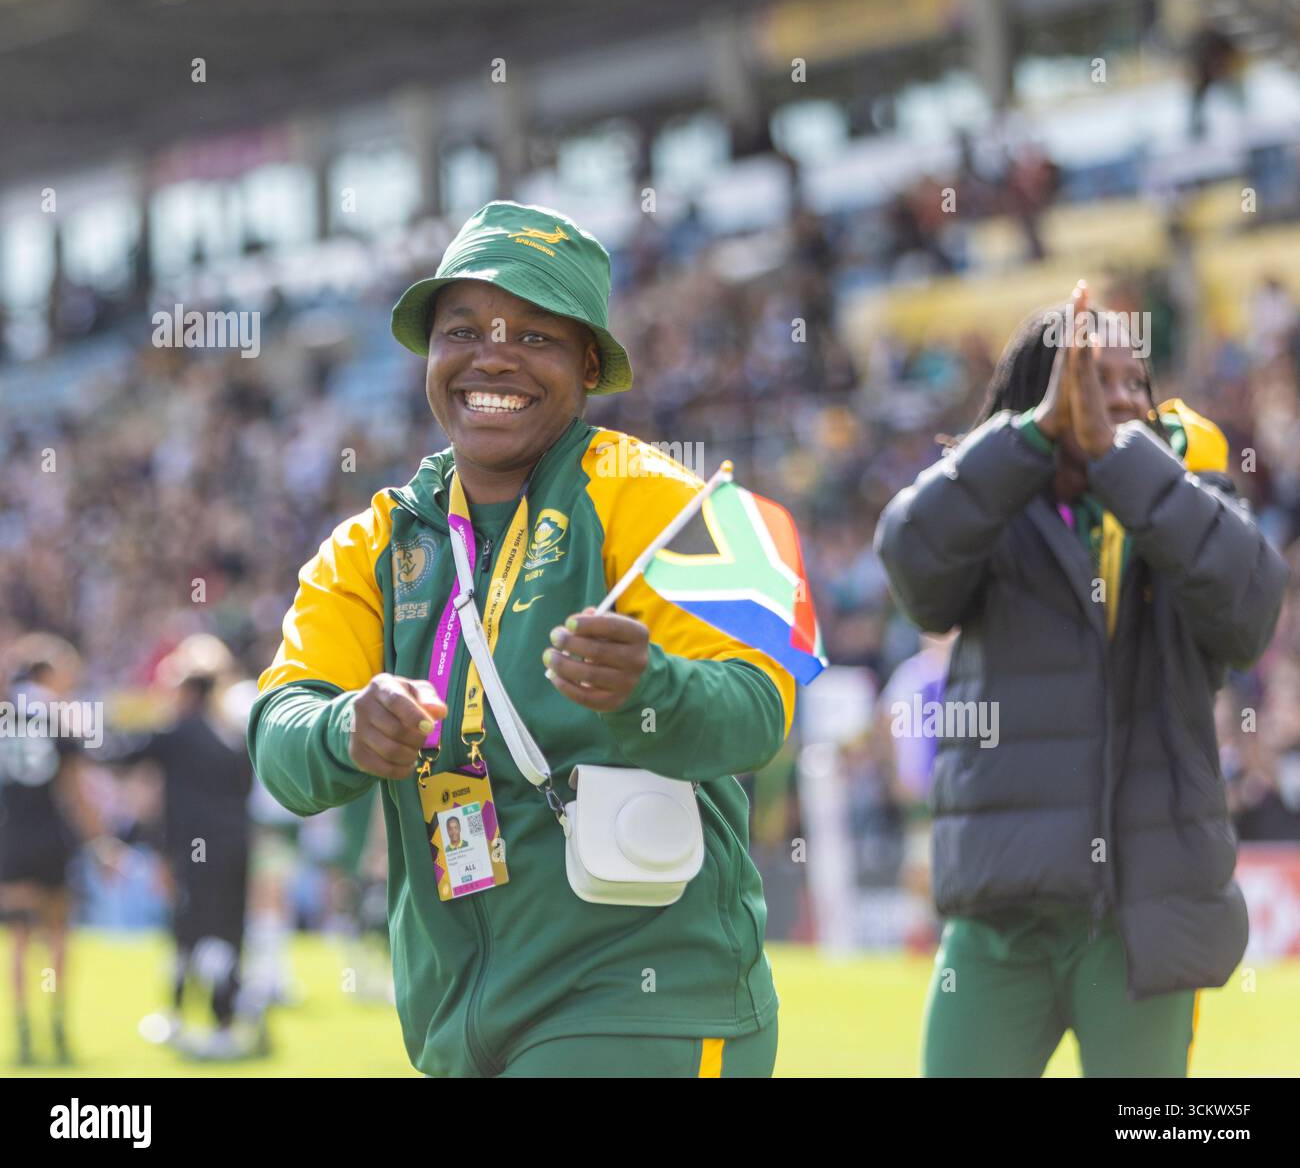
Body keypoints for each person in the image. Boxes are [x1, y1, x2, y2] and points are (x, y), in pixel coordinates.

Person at [248, 200, 796, 1078]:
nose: (492, 355)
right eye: (461, 329)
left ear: (588, 365)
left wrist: (653, 690)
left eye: (535, 336)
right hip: (454, 1022)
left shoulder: (662, 504)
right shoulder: (375, 546)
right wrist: (343, 729)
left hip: (642, 1003)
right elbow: (280, 730)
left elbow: (758, 714)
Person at [875, 283, 1288, 1077]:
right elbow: (910, 557)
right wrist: (1026, 443)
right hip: (1001, 919)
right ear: (1044, 397)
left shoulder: (1191, 506)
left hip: (1143, 920)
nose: (1126, 400)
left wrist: (1121, 460)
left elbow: (1251, 609)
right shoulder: (989, 512)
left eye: (1139, 383)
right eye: (1097, 381)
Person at [105, 635, 258, 1060]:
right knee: (226, 934)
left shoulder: (176, 732)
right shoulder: (233, 737)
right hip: (235, 847)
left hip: (195, 851)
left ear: (187, 689)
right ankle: (225, 1024)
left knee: (190, 934)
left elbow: (117, 756)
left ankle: (183, 1017)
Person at [0, 634, 104, 1066]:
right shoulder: (62, 717)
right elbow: (74, 793)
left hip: (11, 838)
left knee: (20, 939)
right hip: (51, 838)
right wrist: (101, 843)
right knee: (58, 935)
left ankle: (24, 1035)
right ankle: (58, 1031)